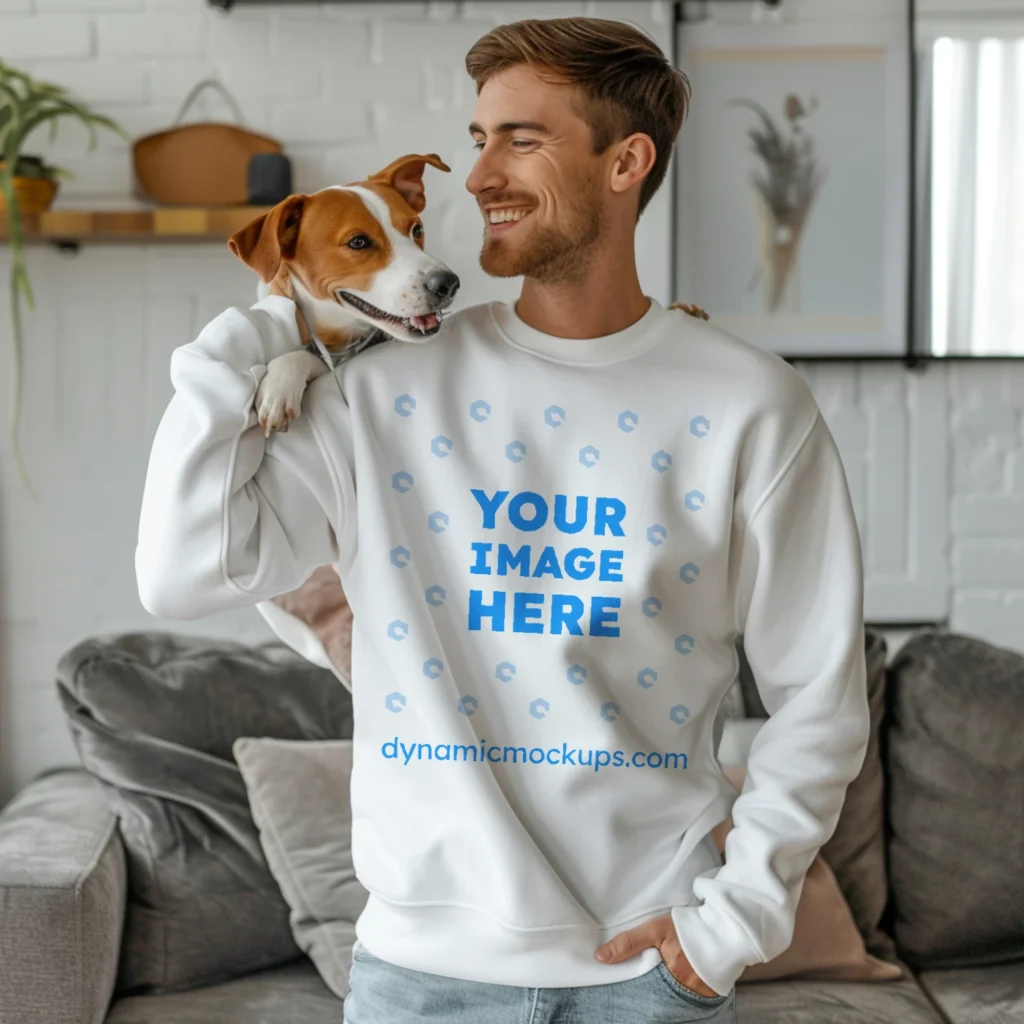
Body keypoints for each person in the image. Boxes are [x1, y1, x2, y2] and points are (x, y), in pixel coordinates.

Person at [136, 17, 870, 1024]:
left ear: (626, 161)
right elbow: (184, 574)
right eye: (476, 138)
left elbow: (820, 701)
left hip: (649, 974)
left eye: (519, 139)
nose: (478, 175)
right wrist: (265, 324)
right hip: (415, 977)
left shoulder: (749, 404)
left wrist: (727, 930)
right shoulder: (379, 390)